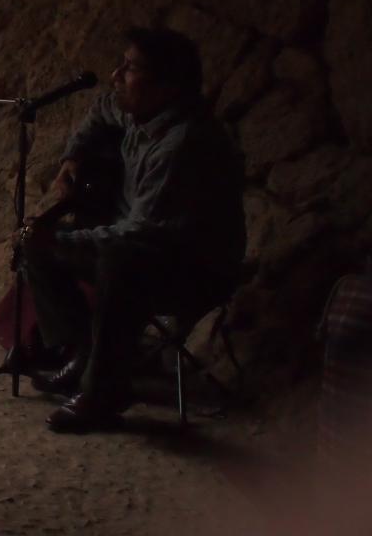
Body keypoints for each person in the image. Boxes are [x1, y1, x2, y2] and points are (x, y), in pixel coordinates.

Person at [21, 27, 246, 433]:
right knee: (36, 249)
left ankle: (103, 393)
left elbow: (142, 234)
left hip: (188, 265)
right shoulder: (138, 110)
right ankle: (85, 354)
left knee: (118, 262)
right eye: (121, 65)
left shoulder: (183, 145)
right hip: (133, 243)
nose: (116, 76)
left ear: (168, 86)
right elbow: (101, 108)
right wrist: (74, 155)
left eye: (130, 69)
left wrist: (61, 238)